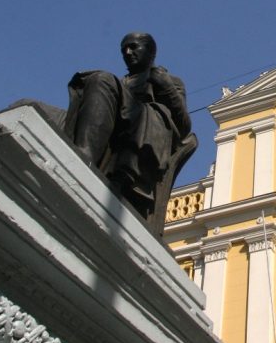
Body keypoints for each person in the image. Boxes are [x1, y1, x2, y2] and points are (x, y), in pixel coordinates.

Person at [63, 32, 194, 217]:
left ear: (151, 52)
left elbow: (184, 125)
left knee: (101, 78)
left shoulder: (169, 80)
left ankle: (83, 160)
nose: (127, 52)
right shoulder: (120, 82)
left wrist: (166, 86)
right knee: (39, 109)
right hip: (114, 127)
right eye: (124, 49)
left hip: (139, 126)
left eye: (134, 46)